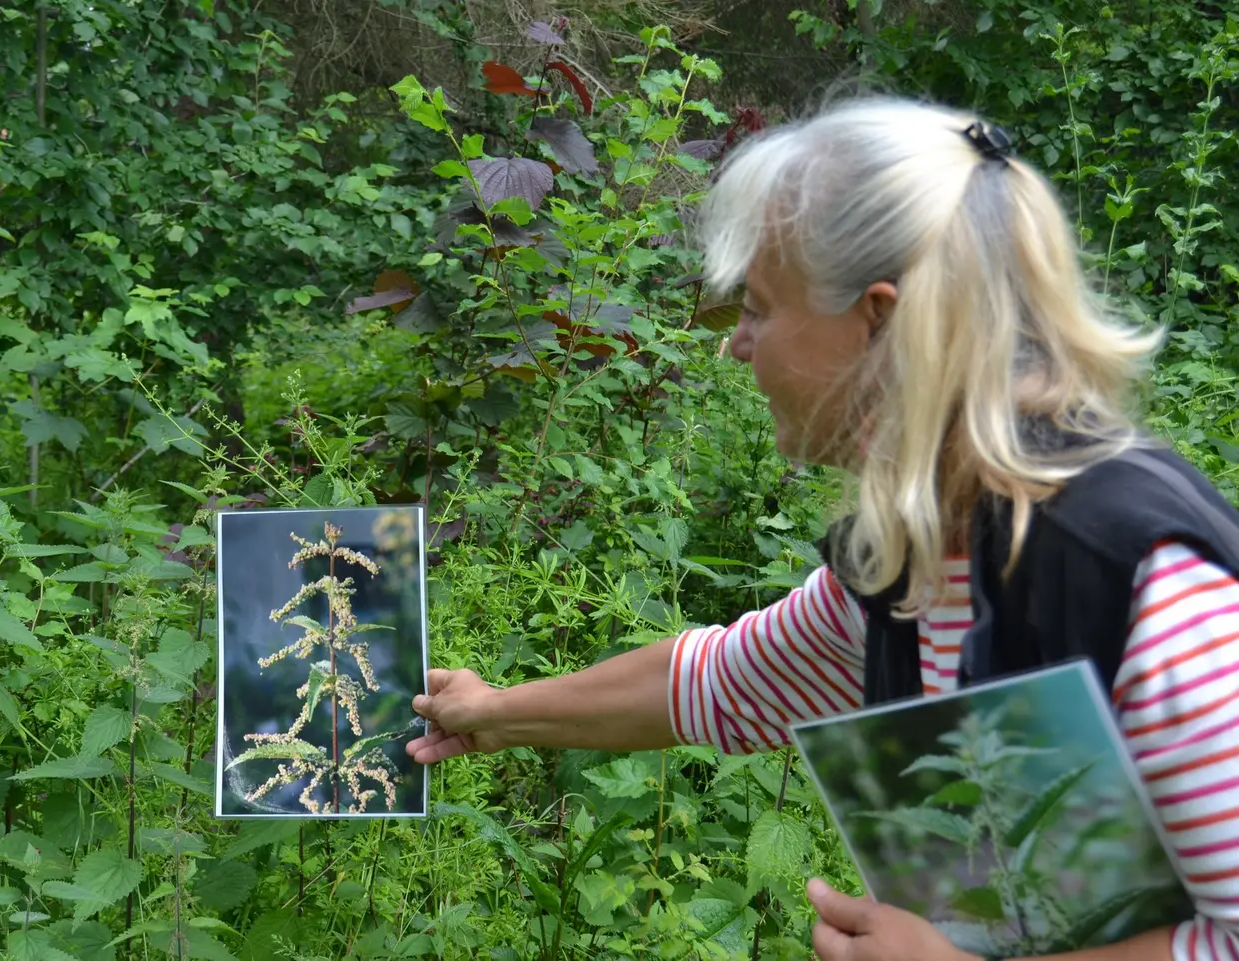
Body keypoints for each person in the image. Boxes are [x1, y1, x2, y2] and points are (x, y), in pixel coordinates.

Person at [405, 97, 1239, 961]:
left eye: (760, 307)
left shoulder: (1146, 584)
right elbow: (729, 680)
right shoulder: (919, 550)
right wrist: (496, 712)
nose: (738, 345)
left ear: (878, 321)